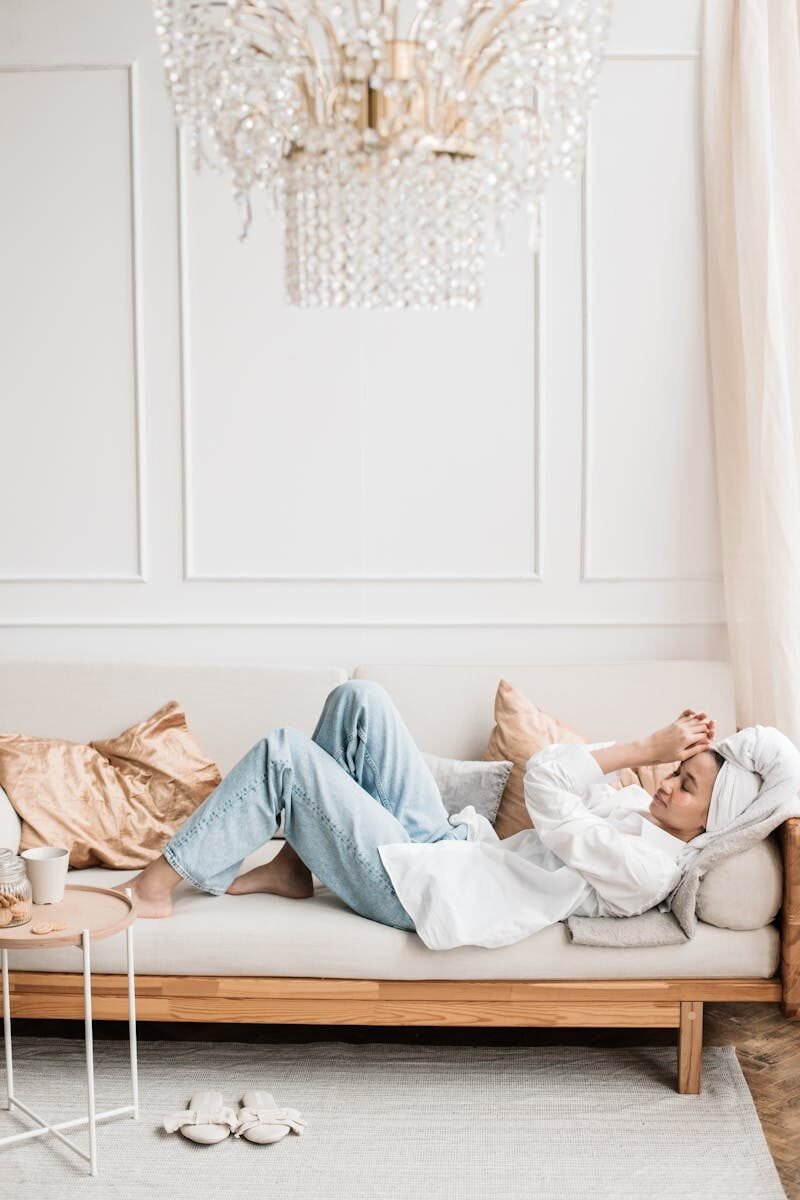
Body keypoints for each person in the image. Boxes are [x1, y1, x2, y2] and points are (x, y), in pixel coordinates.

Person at [114, 680, 725, 950]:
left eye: (685, 786)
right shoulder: (637, 813)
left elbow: (546, 778)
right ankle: (292, 867)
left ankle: (156, 886)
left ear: (709, 823)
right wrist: (649, 760)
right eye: (675, 771)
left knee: (284, 752)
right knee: (360, 700)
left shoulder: (645, 869)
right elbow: (572, 774)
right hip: (454, 849)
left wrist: (644, 748)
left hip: (424, 892)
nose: (666, 784)